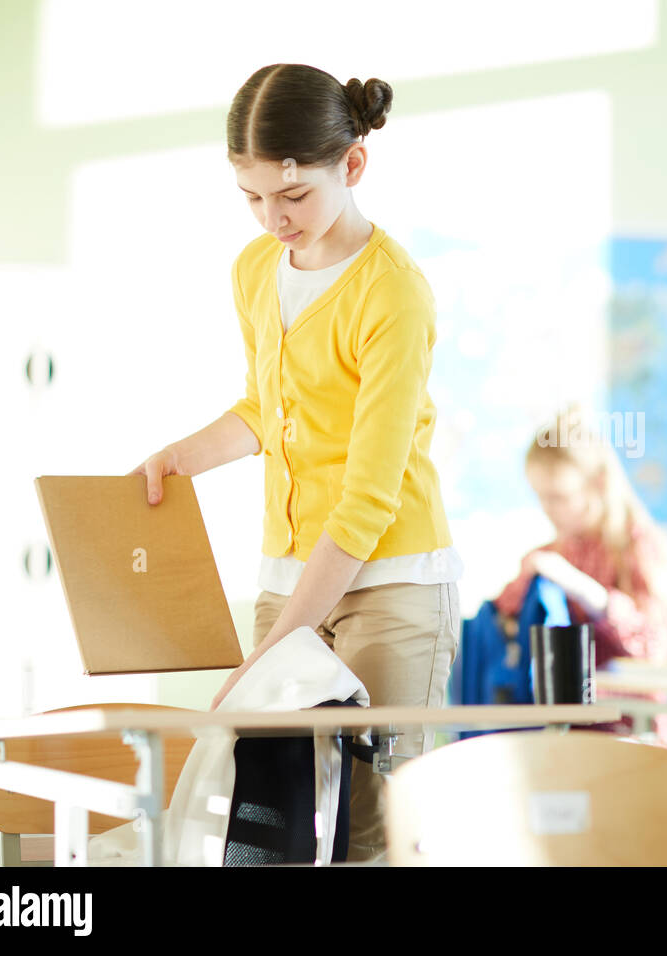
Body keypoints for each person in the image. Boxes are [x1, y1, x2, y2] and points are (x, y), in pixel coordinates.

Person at [130, 63, 462, 862]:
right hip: (291, 576)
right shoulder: (253, 273)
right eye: (252, 198)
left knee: (374, 824)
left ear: (352, 166)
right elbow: (265, 410)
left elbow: (369, 498)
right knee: (270, 807)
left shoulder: (394, 295)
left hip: (392, 581)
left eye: (294, 196)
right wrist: (184, 457)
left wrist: (281, 641)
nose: (273, 219)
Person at [493, 403, 667, 749]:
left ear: (598, 483)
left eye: (559, 497)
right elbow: (501, 620)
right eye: (540, 497)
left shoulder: (640, 546)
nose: (548, 509)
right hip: (569, 743)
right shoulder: (552, 554)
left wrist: (588, 593)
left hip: (634, 738)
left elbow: (653, 643)